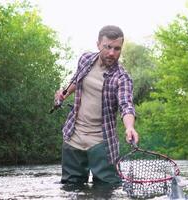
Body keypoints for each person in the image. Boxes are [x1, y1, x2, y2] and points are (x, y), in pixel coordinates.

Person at [54, 25, 139, 184]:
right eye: (107, 47)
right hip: (74, 137)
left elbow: (126, 105)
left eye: (117, 48)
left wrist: (129, 127)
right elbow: (76, 80)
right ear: (98, 44)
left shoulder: (122, 78)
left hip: (101, 143)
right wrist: (64, 94)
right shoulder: (85, 59)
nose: (112, 53)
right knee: (71, 189)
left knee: (106, 190)